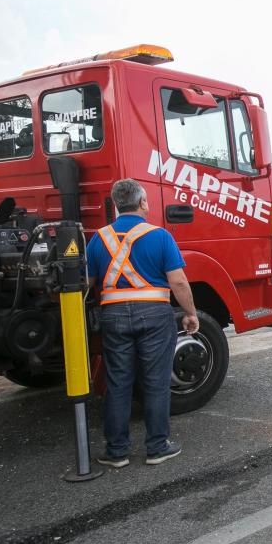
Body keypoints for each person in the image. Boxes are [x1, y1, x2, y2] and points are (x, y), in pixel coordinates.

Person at [86, 178, 199, 467]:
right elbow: (178, 282)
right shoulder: (160, 236)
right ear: (143, 203)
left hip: (112, 317)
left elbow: (86, 283)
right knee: (156, 382)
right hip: (154, 316)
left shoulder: (99, 238)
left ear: (114, 205)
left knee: (118, 382)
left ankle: (117, 451)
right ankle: (157, 447)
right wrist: (191, 313)